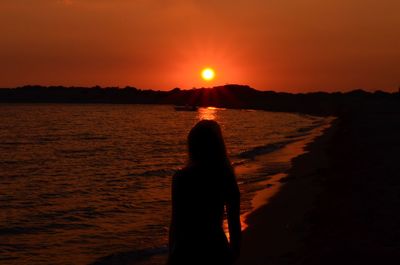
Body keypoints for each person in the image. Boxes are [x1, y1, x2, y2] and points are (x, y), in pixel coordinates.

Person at [168, 120, 241, 265]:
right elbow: (234, 223)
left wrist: (171, 254)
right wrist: (234, 255)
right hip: (216, 248)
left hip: (186, 250)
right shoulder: (225, 176)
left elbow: (176, 223)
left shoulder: (181, 178)